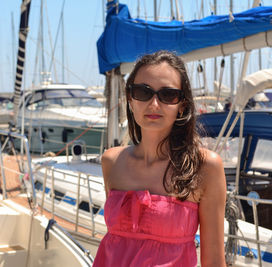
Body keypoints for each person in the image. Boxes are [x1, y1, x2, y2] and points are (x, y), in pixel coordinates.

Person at [93, 51, 226, 267]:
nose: (154, 104)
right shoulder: (111, 162)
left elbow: (214, 262)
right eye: (142, 92)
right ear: (130, 98)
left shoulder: (205, 167)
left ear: (182, 104)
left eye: (168, 95)